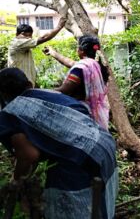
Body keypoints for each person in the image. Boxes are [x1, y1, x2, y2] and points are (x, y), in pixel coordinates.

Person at [0, 68, 118, 219]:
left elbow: (29, 155)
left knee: (70, 208)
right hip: (103, 142)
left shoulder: (10, 112)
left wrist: (15, 180)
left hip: (79, 157)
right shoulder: (51, 94)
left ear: (3, 94)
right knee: (99, 200)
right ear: (29, 84)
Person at [43, 35, 110, 130]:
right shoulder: (97, 66)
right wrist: (53, 53)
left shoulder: (80, 68)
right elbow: (69, 62)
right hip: (96, 114)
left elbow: (64, 90)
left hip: (80, 113)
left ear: (81, 50)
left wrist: (40, 92)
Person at [8, 18, 66, 85]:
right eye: (28, 36)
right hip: (18, 84)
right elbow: (43, 38)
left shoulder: (23, 44)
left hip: (25, 84)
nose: (29, 38)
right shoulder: (18, 43)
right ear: (21, 34)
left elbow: (43, 36)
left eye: (30, 36)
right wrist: (59, 27)